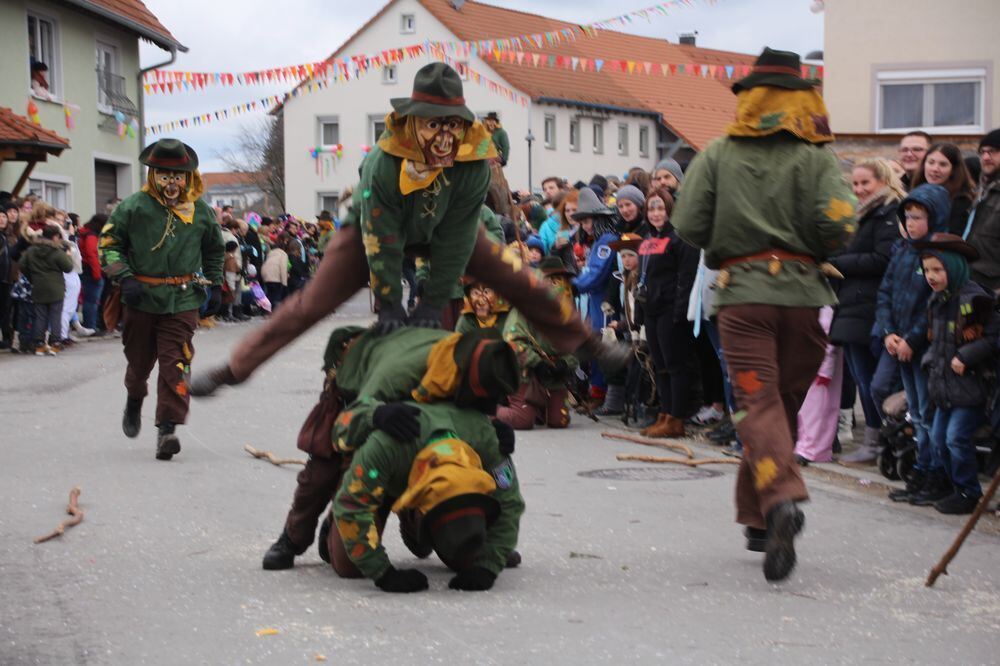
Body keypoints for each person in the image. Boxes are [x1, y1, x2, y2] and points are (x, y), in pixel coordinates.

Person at [188, 63, 623, 398]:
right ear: (414, 121)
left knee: (515, 276)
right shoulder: (384, 161)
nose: (444, 135)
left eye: (452, 124)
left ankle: (586, 342)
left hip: (443, 228)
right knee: (311, 302)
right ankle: (235, 368)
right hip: (371, 232)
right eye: (434, 123)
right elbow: (382, 236)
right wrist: (391, 301)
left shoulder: (474, 163)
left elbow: (456, 236)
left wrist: (434, 300)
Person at [672, 47, 855, 581]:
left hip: (743, 297)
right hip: (803, 299)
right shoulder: (817, 155)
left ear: (749, 98)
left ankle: (777, 502)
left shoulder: (718, 153)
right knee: (781, 406)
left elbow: (686, 221)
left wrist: (725, 240)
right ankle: (758, 519)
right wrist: (812, 248)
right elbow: (842, 224)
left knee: (759, 406)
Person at [261, 325, 519, 571]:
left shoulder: (473, 369)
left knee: (440, 520)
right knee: (323, 469)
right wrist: (377, 415)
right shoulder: (396, 374)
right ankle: (293, 538)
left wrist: (495, 434)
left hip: (417, 444)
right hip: (362, 393)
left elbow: (498, 474)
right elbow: (344, 426)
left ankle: (415, 520)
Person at [99, 139, 225, 461]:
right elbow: (109, 242)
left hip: (182, 301)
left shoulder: (201, 212)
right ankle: (134, 397)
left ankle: (167, 429)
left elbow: (214, 249)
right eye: (164, 175)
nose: (171, 183)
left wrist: (215, 284)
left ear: (188, 176)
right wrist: (124, 276)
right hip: (140, 298)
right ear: (153, 175)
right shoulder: (134, 207)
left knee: (177, 363)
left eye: (178, 175)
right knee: (139, 364)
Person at [328, 399, 524, 592]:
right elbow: (351, 503)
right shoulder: (385, 445)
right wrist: (382, 573)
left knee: (465, 549)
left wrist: (489, 563)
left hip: (417, 463)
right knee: (350, 564)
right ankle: (333, 521)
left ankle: (413, 524)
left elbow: (509, 502)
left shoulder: (485, 439)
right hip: (379, 473)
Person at [871, 184, 951, 502]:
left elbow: (934, 303)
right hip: (900, 344)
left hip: (924, 348)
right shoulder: (902, 251)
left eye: (918, 217)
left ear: (935, 217)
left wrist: (912, 339)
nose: (911, 223)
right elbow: (885, 293)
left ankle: (936, 474)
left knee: (928, 413)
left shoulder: (938, 255)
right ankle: (921, 470)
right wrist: (889, 331)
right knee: (915, 413)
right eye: (908, 216)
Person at [916, 233, 998, 514]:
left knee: (955, 438)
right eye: (927, 270)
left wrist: (966, 355)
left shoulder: (975, 300)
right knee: (939, 440)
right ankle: (956, 487)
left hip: (971, 388)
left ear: (953, 268)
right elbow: (936, 341)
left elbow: (992, 338)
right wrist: (929, 359)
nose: (931, 276)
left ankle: (969, 491)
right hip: (944, 387)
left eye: (937, 270)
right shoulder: (937, 301)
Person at [831, 158, 904, 463]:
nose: (859, 189)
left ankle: (888, 439)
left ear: (883, 181)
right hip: (854, 305)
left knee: (877, 381)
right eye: (856, 184)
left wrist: (837, 264)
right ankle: (874, 440)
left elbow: (881, 259)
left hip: (873, 306)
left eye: (865, 183)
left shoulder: (889, 213)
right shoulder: (864, 214)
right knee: (864, 378)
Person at [638, 187, 699, 438]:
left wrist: (679, 312)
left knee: (675, 365)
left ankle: (677, 417)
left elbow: (686, 277)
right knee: (660, 364)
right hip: (650, 308)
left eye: (660, 207)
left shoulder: (679, 238)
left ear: (670, 209)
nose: (655, 213)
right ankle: (665, 413)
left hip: (671, 309)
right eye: (651, 208)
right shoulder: (648, 239)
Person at [496, 257, 579, 430]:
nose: (553, 287)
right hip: (527, 373)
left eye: (558, 281)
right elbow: (512, 343)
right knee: (522, 421)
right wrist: (537, 362)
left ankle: (541, 408)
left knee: (559, 421)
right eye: (548, 281)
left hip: (554, 377)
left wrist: (565, 363)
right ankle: (489, 411)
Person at [19, 224, 72, 355]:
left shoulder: (31, 250)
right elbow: (68, 267)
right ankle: (55, 343)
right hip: (56, 288)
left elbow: (22, 265)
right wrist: (68, 255)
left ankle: (39, 344)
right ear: (54, 237)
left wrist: (31, 277)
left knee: (40, 316)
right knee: (55, 316)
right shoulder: (57, 251)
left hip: (38, 286)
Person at [911, 143, 977, 236]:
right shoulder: (915, 193)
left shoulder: (961, 200)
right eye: (931, 162)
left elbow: (953, 237)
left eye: (943, 164)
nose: (935, 169)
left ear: (953, 170)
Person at [965, 129, 1000, 291]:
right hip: (973, 282)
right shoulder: (981, 191)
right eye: (982, 152)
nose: (986, 157)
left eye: (993, 151)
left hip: (993, 287)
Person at [77, 214, 106, 332]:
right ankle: (91, 326)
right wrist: (97, 274)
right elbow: (92, 255)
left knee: (90, 300)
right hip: (92, 272)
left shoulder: (85, 233)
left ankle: (90, 325)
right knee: (92, 301)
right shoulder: (91, 236)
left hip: (87, 270)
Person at [260, 232, 289, 311]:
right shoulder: (283, 254)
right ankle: (273, 311)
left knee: (268, 293)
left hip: (266, 274)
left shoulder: (271, 252)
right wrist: (284, 283)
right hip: (275, 277)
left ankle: (265, 310)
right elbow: (283, 268)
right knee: (276, 295)